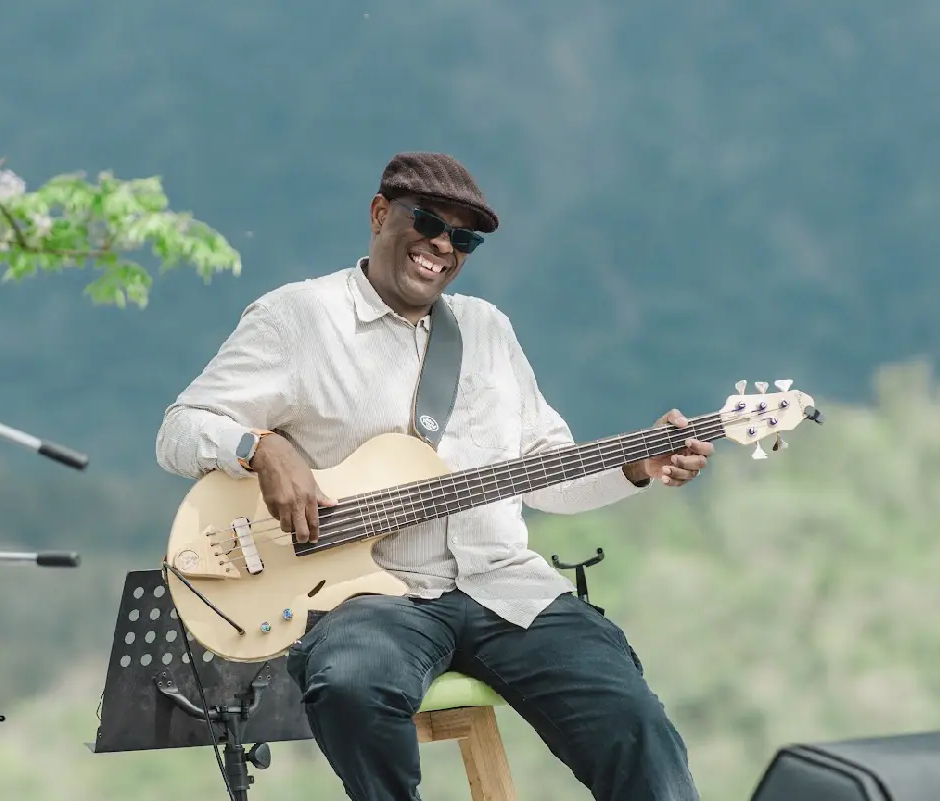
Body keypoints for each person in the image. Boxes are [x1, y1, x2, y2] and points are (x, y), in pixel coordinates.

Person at [155, 152, 712, 801]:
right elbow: (179, 428)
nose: (443, 247)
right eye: (428, 223)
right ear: (379, 213)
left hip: (505, 586)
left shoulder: (488, 330)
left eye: (464, 238)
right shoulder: (296, 319)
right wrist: (261, 447)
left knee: (633, 719)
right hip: (373, 600)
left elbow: (542, 472)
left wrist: (634, 465)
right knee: (350, 685)